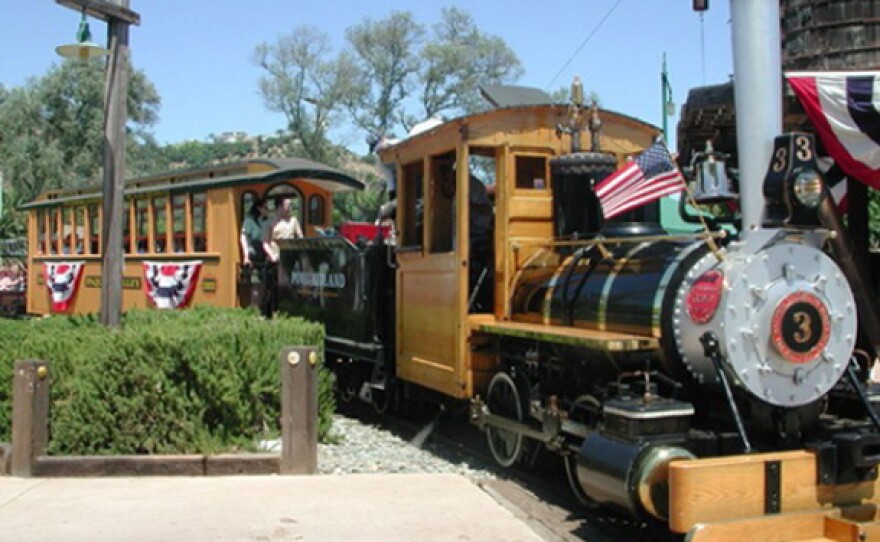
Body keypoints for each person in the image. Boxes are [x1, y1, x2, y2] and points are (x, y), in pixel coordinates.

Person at [262, 198, 303, 316]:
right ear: (279, 207)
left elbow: (300, 238)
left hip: (289, 260)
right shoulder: (270, 223)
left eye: (291, 206)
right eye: (288, 205)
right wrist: (272, 255)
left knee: (288, 287)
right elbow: (265, 243)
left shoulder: (293, 221)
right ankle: (267, 313)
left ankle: (287, 312)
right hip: (274, 259)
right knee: (271, 288)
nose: (290, 208)